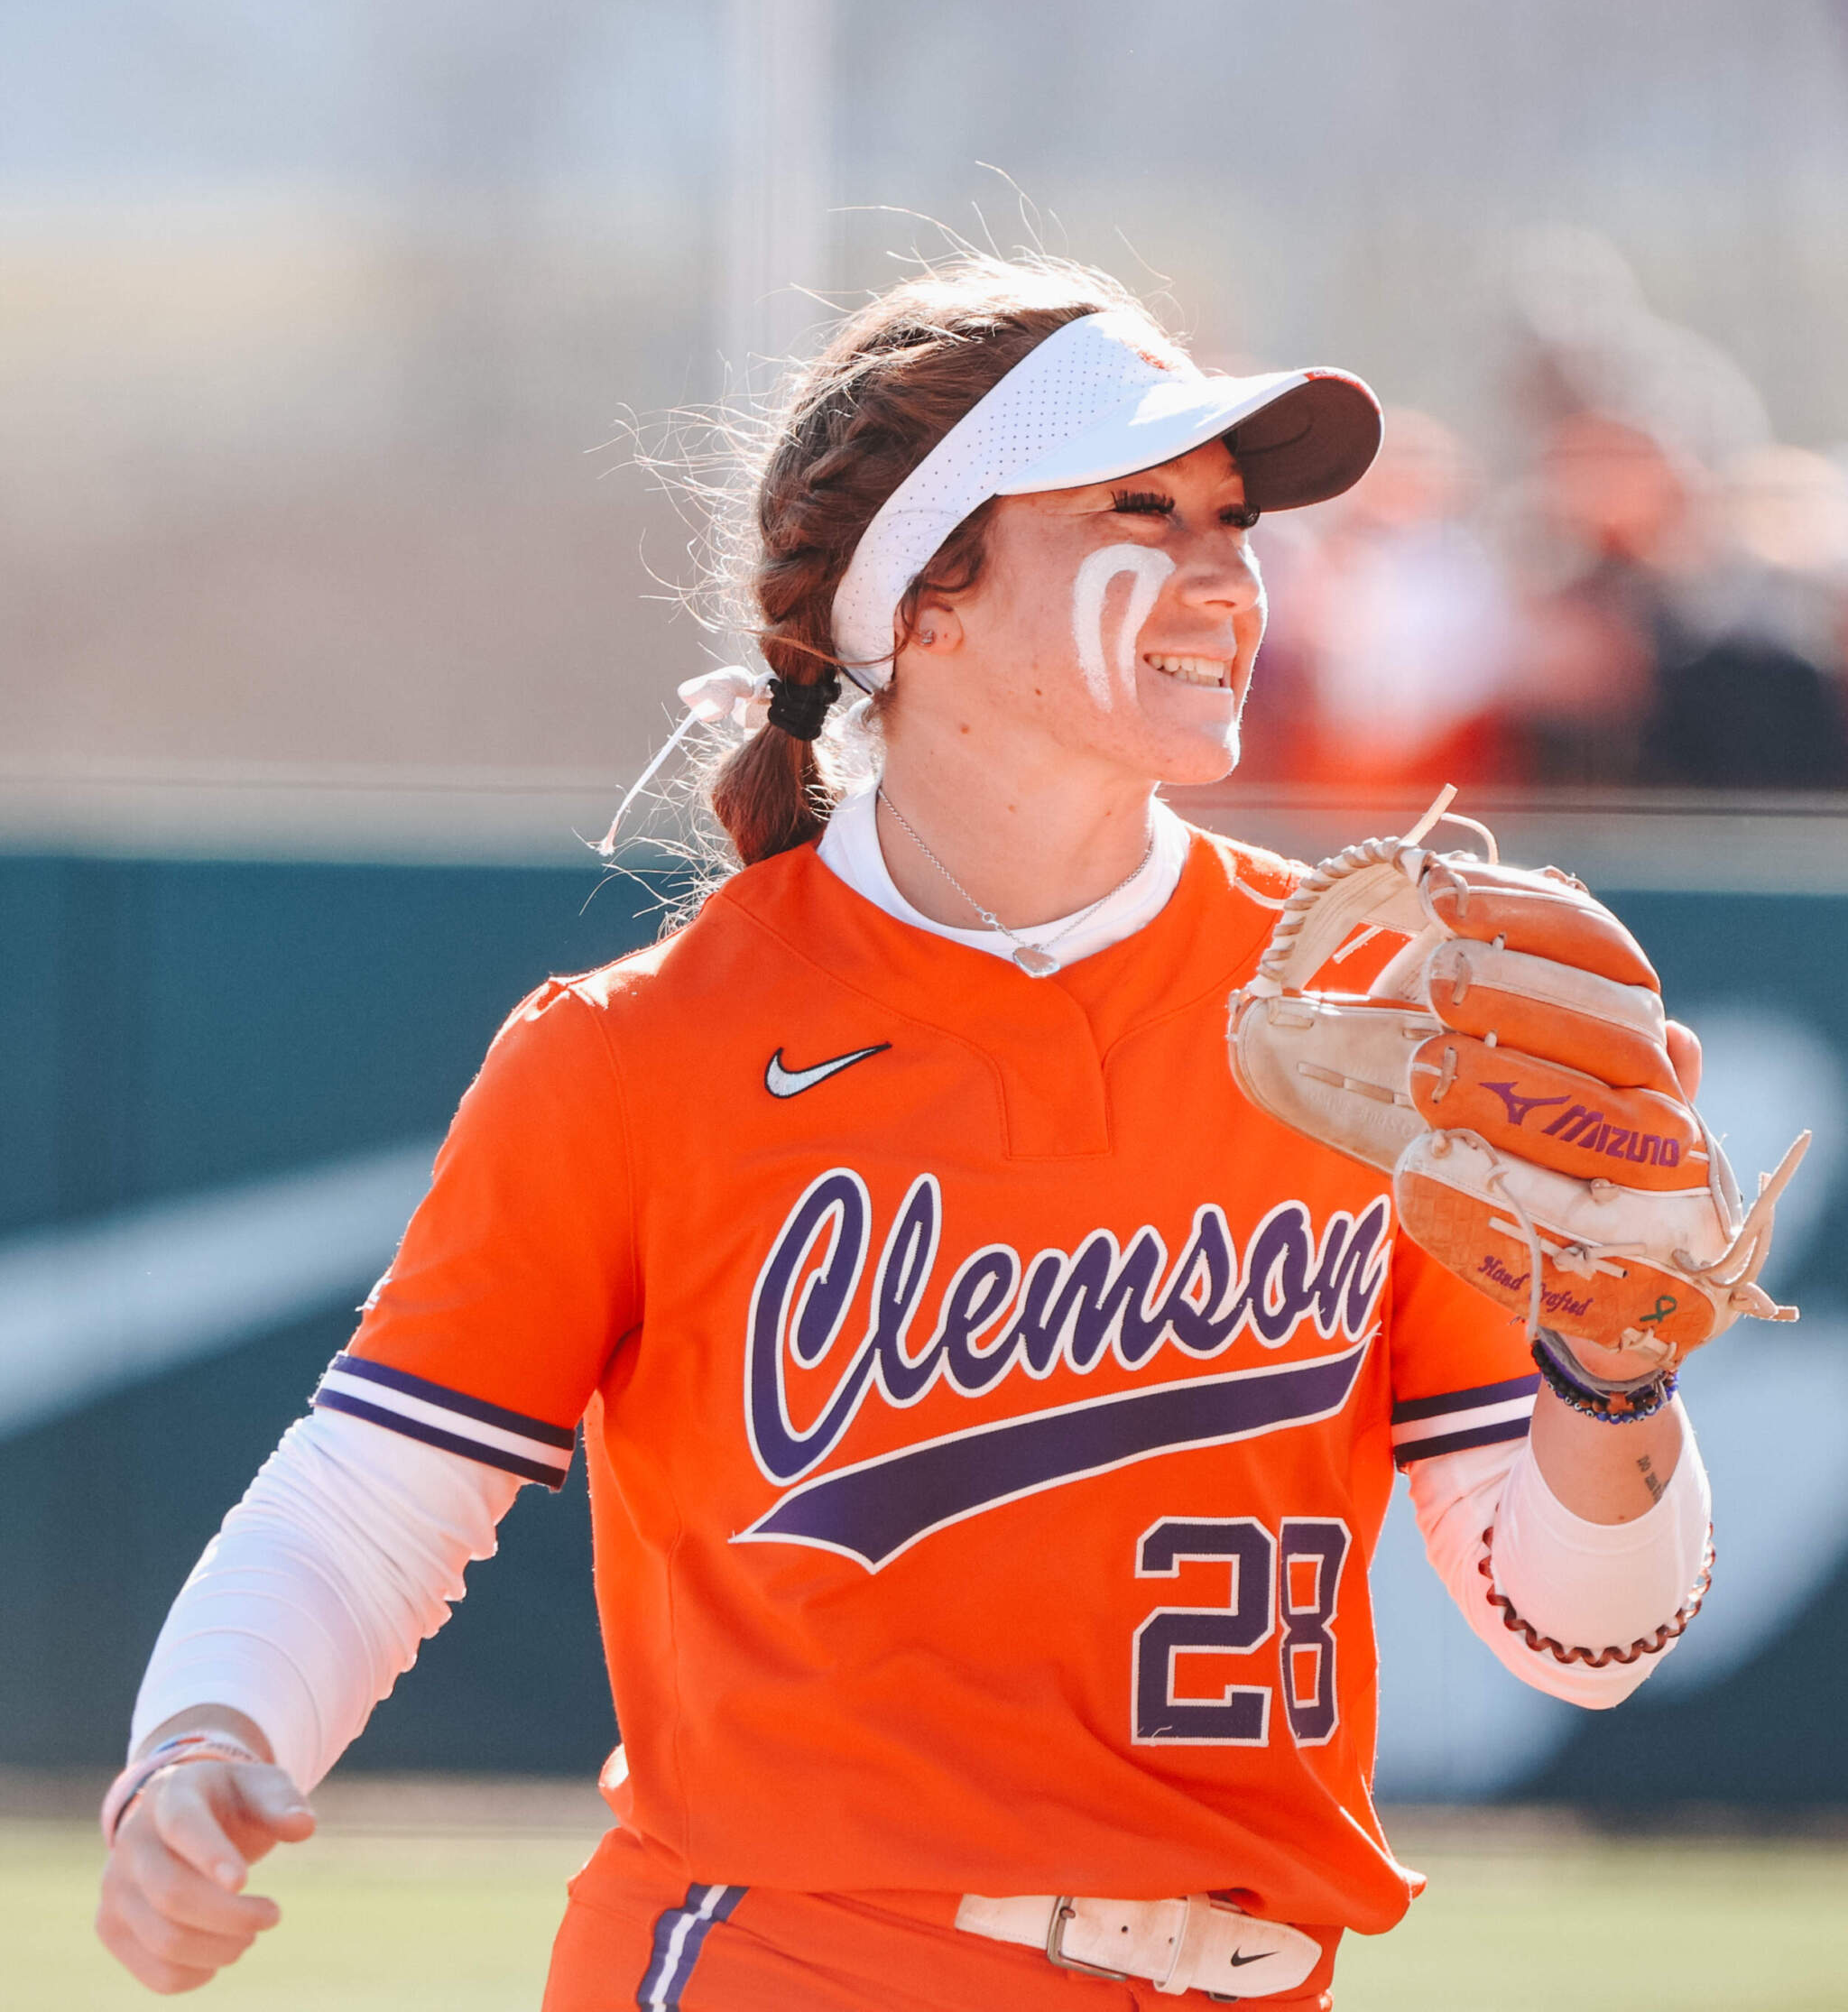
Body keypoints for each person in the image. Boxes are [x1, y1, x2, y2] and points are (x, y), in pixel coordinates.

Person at [96, 258, 1714, 2009]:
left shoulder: (1366, 1026)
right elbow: (375, 1494)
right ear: (922, 596)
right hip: (788, 1962)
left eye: (1232, 520)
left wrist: (1610, 1378)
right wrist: (204, 1738)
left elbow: (1583, 1637)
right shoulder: (643, 1048)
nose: (1224, 575)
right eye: (1139, 509)